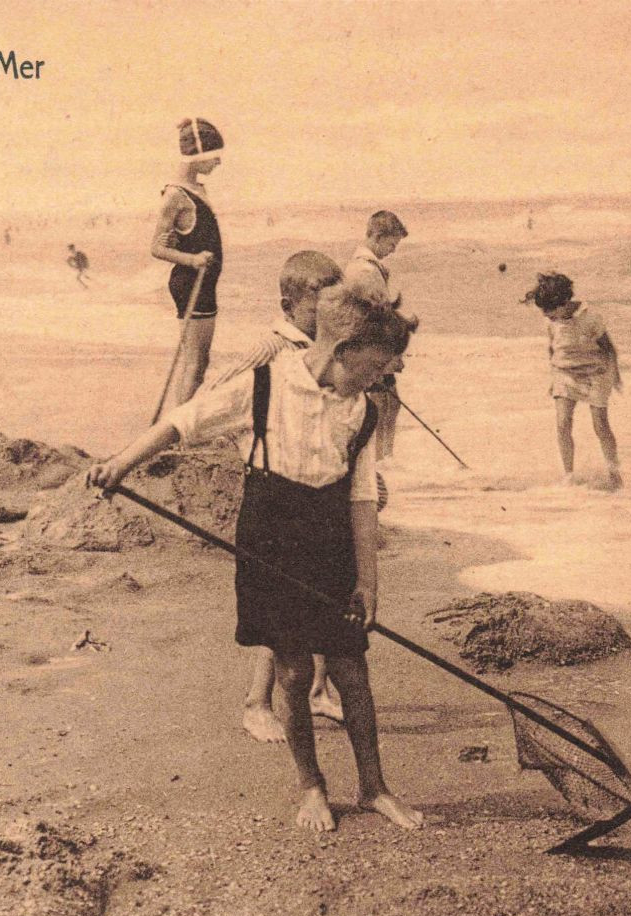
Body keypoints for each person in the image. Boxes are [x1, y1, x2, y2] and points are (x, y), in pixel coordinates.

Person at [86, 283, 424, 835]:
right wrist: (121, 462)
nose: (376, 381)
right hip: (270, 537)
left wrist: (369, 579)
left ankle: (374, 787)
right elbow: (184, 422)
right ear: (340, 349)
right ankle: (311, 785)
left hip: (332, 536)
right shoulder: (264, 384)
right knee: (291, 670)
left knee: (351, 670)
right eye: (372, 369)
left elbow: (362, 497)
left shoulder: (359, 409)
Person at [210, 250, 353, 744]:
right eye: (319, 304)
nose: (329, 313)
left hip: (317, 487)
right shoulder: (272, 347)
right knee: (281, 611)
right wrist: (252, 443)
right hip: (274, 488)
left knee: (318, 596)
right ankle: (256, 702)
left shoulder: (323, 348)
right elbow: (219, 392)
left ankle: (316, 691)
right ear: (289, 303)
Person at [524, 272, 622, 489]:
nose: (546, 315)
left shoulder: (590, 318)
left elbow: (609, 349)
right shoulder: (551, 321)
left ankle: (614, 473)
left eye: (550, 311)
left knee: (600, 425)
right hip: (564, 373)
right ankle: (569, 475)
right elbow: (552, 348)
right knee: (562, 423)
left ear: (563, 303)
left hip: (595, 372)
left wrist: (615, 375)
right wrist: (554, 378)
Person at [151, 117, 225, 407]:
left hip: (202, 283)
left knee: (196, 364)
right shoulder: (175, 195)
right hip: (191, 282)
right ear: (198, 155)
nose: (218, 162)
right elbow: (157, 247)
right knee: (195, 366)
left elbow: (181, 236)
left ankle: (178, 424)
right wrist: (192, 259)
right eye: (214, 155)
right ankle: (178, 430)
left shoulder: (197, 189)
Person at [344, 211, 408, 463]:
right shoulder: (365, 270)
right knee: (383, 405)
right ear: (378, 237)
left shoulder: (365, 267)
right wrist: (391, 357)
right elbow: (379, 319)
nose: (392, 251)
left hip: (369, 351)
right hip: (371, 352)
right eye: (391, 244)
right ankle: (381, 462)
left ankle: (382, 460)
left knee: (389, 405)